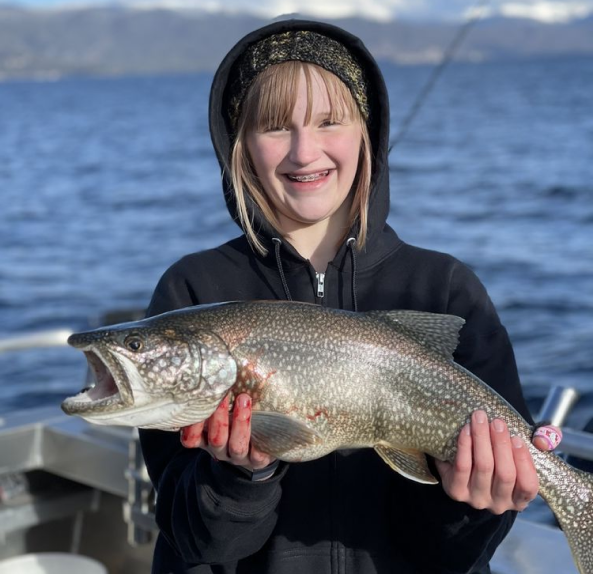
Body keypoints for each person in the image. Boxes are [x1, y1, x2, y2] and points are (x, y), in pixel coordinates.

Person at [139, 19, 561, 574]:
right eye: (272, 126)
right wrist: (243, 475)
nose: (303, 150)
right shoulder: (192, 293)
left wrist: (475, 500)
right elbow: (196, 546)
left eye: (330, 121)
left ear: (367, 131)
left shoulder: (445, 289)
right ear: (237, 144)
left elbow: (453, 553)